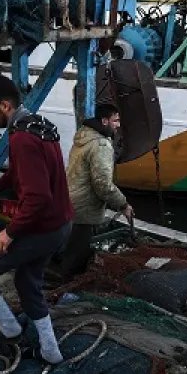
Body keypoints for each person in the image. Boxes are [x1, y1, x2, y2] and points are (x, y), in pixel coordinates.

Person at [0, 75, 74, 364]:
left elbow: (37, 198)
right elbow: (22, 173)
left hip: (41, 229)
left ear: (6, 106)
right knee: (27, 283)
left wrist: (9, 233)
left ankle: (9, 327)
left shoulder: (22, 138)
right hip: (60, 224)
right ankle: (50, 351)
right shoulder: (37, 126)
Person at [61, 102, 133, 276]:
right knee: (78, 255)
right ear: (104, 121)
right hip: (85, 207)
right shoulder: (100, 145)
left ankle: (65, 279)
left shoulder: (83, 136)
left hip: (70, 201)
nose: (118, 125)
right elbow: (103, 185)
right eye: (115, 121)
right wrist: (123, 205)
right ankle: (68, 289)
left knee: (70, 248)